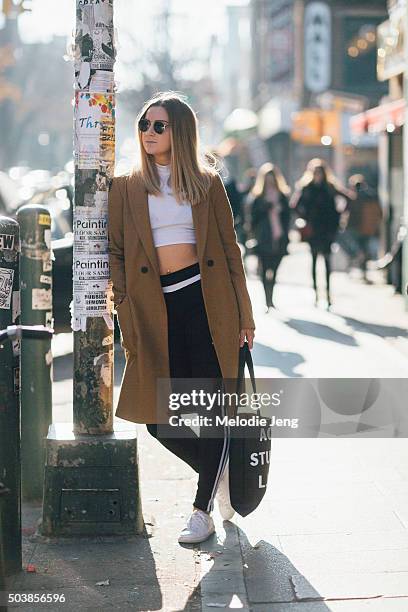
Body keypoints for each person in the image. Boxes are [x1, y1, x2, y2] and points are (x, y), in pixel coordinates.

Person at [108, 91, 255, 545]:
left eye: (159, 125)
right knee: (158, 417)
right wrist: (125, 305)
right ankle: (218, 467)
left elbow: (231, 254)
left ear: (180, 131)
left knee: (211, 410)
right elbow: (114, 252)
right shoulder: (126, 186)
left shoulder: (207, 184)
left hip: (207, 305)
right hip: (154, 311)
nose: (148, 132)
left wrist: (245, 316)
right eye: (145, 125)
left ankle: (201, 509)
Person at [291, 158, 353, 307]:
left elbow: (348, 199)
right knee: (313, 261)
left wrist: (339, 215)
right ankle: (316, 294)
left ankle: (328, 294)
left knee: (327, 262)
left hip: (327, 230)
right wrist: (304, 218)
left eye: (320, 172)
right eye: (316, 172)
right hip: (313, 230)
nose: (318, 175)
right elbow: (294, 206)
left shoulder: (329, 187)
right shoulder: (307, 187)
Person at [249, 163, 291, 310]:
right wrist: (265, 207)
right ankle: (268, 300)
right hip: (263, 238)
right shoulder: (258, 197)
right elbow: (252, 219)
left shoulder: (282, 196)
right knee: (265, 269)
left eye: (272, 178)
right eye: (268, 179)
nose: (270, 182)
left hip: (279, 237)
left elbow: (288, 217)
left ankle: (271, 297)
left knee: (274, 269)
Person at [346, 174, 382, 281]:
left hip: (356, 227)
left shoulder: (353, 197)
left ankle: (360, 267)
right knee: (364, 249)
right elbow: (379, 212)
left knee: (358, 249)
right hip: (368, 228)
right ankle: (363, 270)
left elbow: (348, 212)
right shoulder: (372, 196)